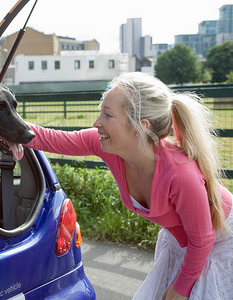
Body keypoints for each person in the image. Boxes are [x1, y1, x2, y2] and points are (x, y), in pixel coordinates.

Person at [23, 72, 232, 300]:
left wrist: (181, 288)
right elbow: (51, 138)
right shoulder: (105, 145)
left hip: (220, 243)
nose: (97, 123)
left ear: (140, 126)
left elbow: (202, 240)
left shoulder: (181, 176)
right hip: (187, 243)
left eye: (108, 115)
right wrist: (0, 122)